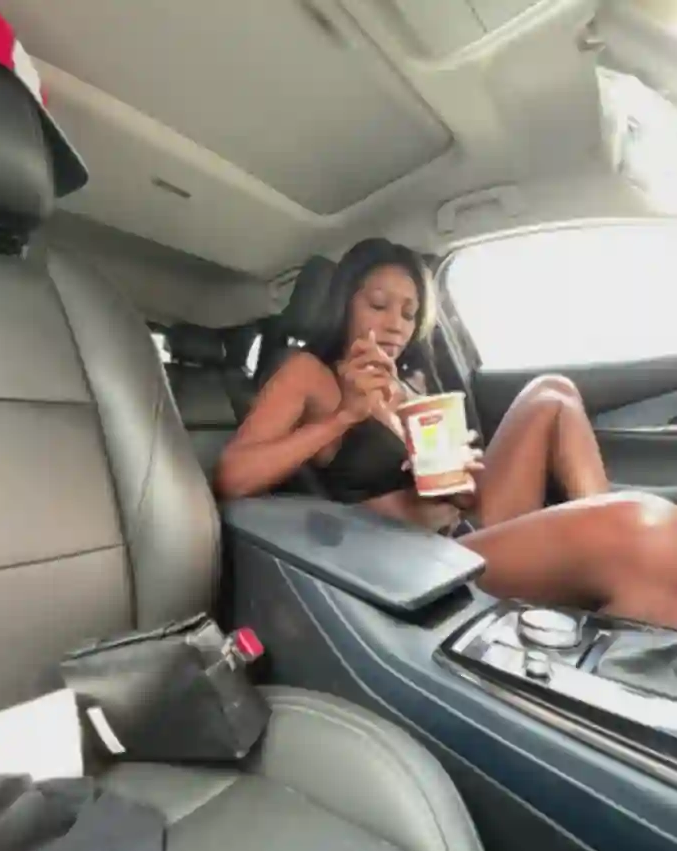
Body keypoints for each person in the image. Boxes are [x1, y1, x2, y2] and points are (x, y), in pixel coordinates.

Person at [216, 238, 677, 627]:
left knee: (552, 393)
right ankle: (620, 574)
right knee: (643, 529)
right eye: (378, 305)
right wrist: (344, 416)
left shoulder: (408, 385)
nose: (395, 324)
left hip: (461, 530)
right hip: (412, 560)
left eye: (409, 312)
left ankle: (603, 544)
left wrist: (461, 481)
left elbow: (458, 493)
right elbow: (233, 477)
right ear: (344, 305)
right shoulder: (309, 373)